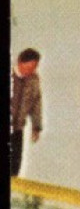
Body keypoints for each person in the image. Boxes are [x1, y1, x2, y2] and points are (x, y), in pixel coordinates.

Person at [11, 48, 43, 178]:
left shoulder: (34, 80)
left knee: (15, 164)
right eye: (29, 67)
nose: (32, 71)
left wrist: (36, 127)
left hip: (18, 128)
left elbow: (36, 104)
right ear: (20, 62)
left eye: (34, 67)